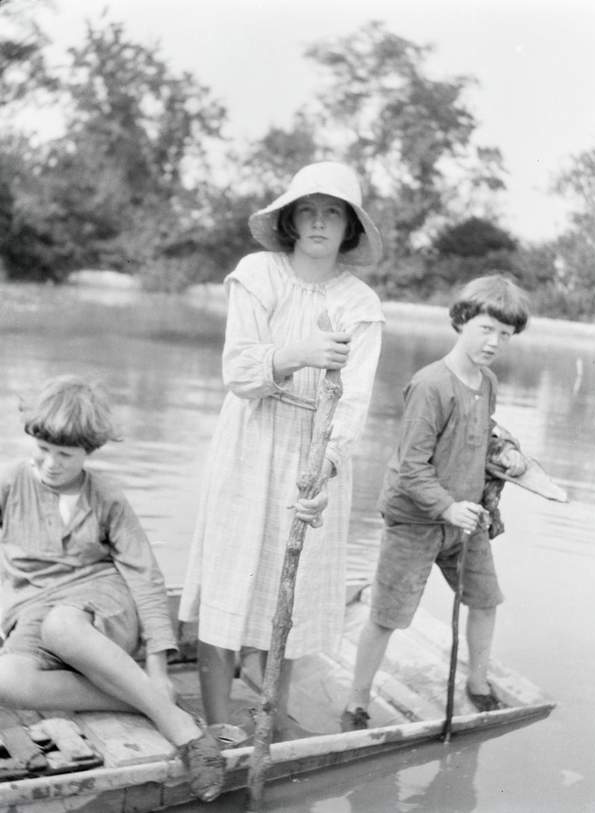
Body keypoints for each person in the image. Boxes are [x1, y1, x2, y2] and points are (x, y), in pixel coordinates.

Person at [178, 161, 385, 737]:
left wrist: (324, 471)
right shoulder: (258, 274)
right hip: (250, 437)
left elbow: (354, 405)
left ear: (350, 228)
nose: (319, 223)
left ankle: (268, 717)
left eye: (333, 213)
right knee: (227, 581)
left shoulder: (361, 304)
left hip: (312, 449)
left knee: (290, 600)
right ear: (291, 220)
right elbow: (239, 370)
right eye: (308, 211)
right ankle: (219, 728)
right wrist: (300, 352)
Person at [0, 375, 225, 803]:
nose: (51, 463)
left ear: (89, 451)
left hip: (100, 605)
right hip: (32, 610)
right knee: (5, 678)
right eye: (43, 450)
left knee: (62, 626)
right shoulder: (9, 483)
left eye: (65, 455)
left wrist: (159, 667)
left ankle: (183, 732)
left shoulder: (107, 496)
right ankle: (151, 702)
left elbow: (146, 578)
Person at [342, 274, 530, 731]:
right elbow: (411, 468)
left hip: (467, 521)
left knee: (486, 600)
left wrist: (506, 458)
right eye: (486, 329)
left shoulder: (487, 382)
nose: (493, 343)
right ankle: (357, 699)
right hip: (415, 519)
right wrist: (446, 507)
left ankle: (479, 683)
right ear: (462, 320)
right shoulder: (430, 385)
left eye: (504, 335)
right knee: (387, 615)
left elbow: (479, 439)